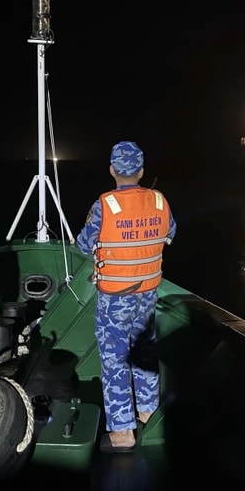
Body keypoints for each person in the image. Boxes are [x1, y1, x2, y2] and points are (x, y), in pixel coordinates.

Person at [76, 141, 177, 453]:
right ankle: (148, 411)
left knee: (115, 360)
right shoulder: (160, 201)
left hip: (115, 298)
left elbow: (83, 245)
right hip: (147, 292)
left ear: (112, 170)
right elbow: (170, 233)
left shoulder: (104, 205)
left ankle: (122, 432)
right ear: (141, 171)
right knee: (144, 351)